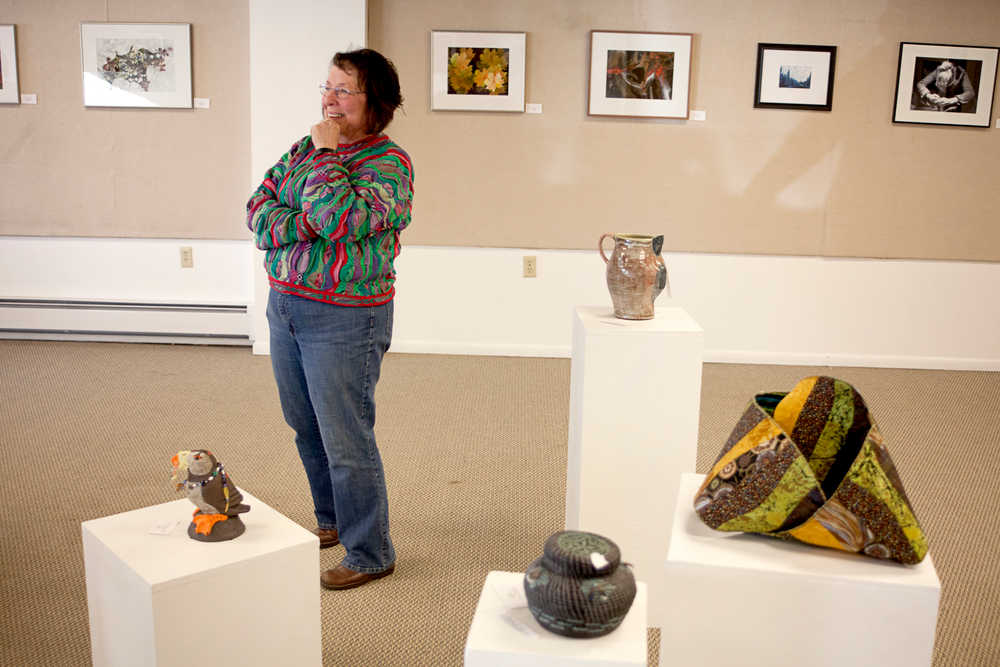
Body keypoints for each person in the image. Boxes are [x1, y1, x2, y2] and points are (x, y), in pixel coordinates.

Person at [246, 48, 412, 590]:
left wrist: (324, 159)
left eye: (344, 91)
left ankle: (370, 551)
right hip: (286, 305)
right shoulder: (303, 148)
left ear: (375, 104)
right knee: (305, 426)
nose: (329, 99)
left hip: (346, 318)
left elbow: (337, 217)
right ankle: (333, 519)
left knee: (346, 436)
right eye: (328, 87)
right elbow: (257, 211)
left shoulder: (389, 165)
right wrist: (308, 221)